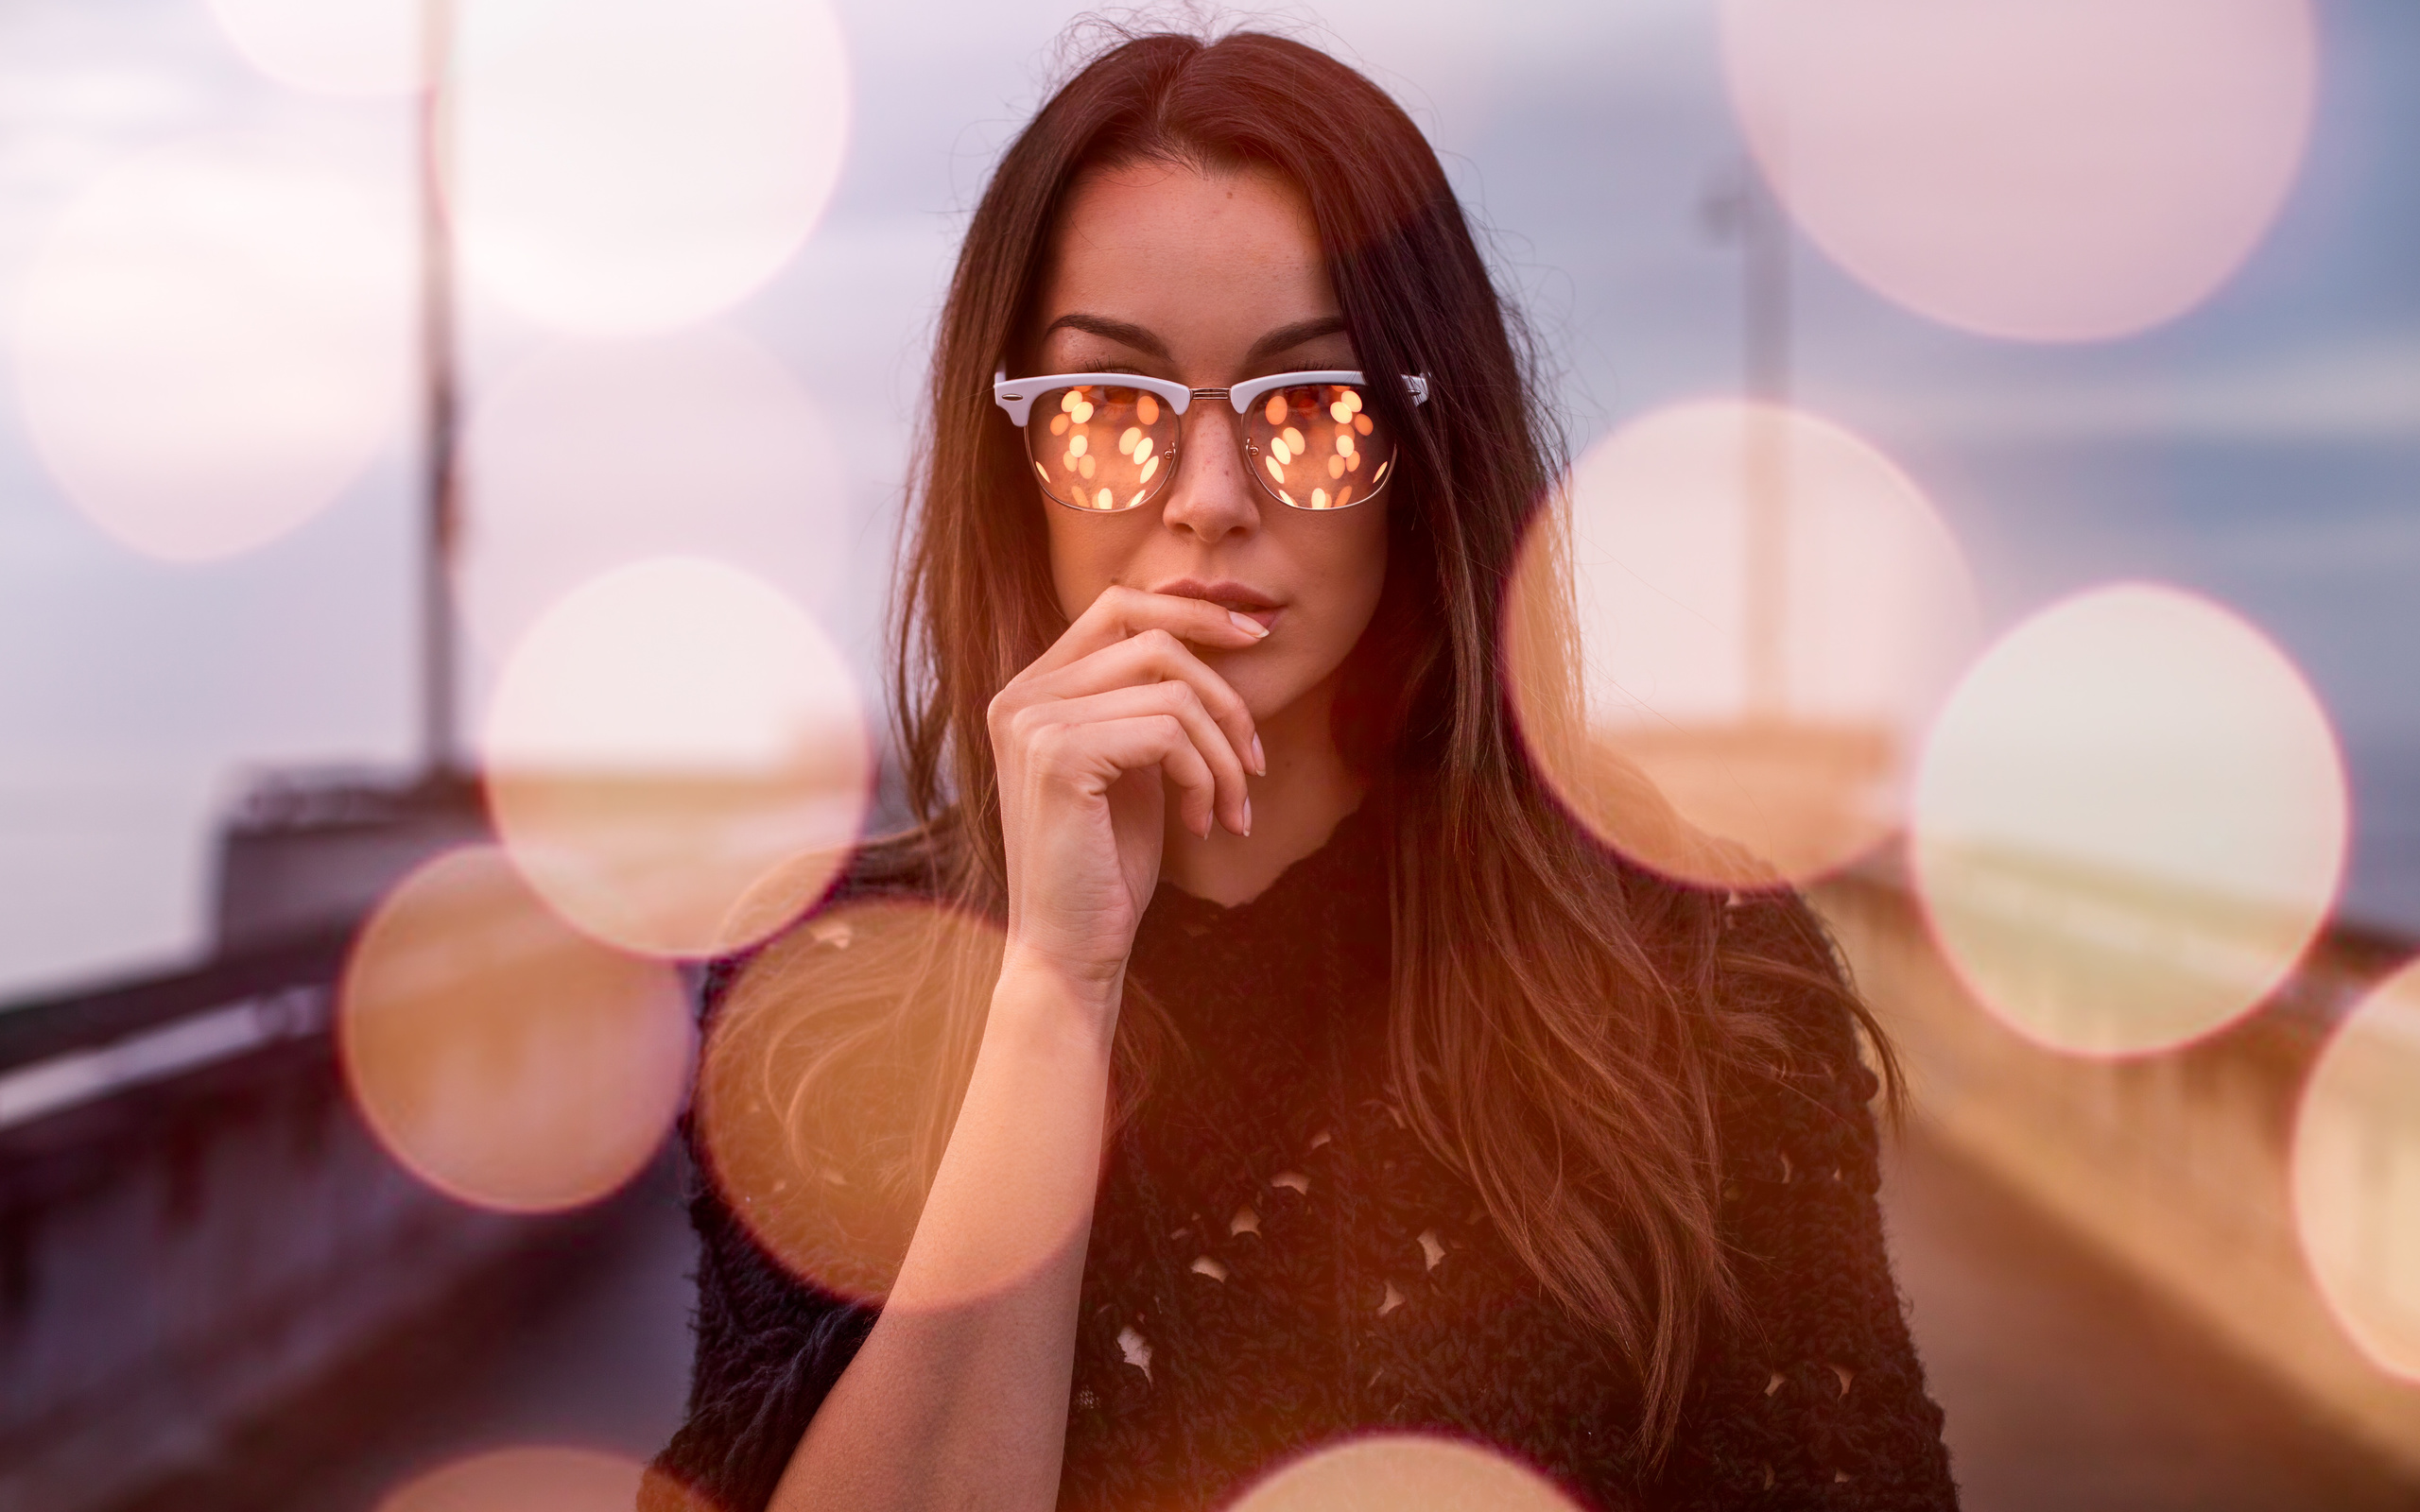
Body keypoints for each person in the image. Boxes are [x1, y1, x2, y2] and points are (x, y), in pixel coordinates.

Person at [646, 27, 1958, 1512]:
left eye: (1313, 413)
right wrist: (1056, 990)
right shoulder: (825, 991)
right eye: (1108, 414)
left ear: (1429, 437)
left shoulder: (1704, 981)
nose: (1209, 500)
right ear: (1008, 453)